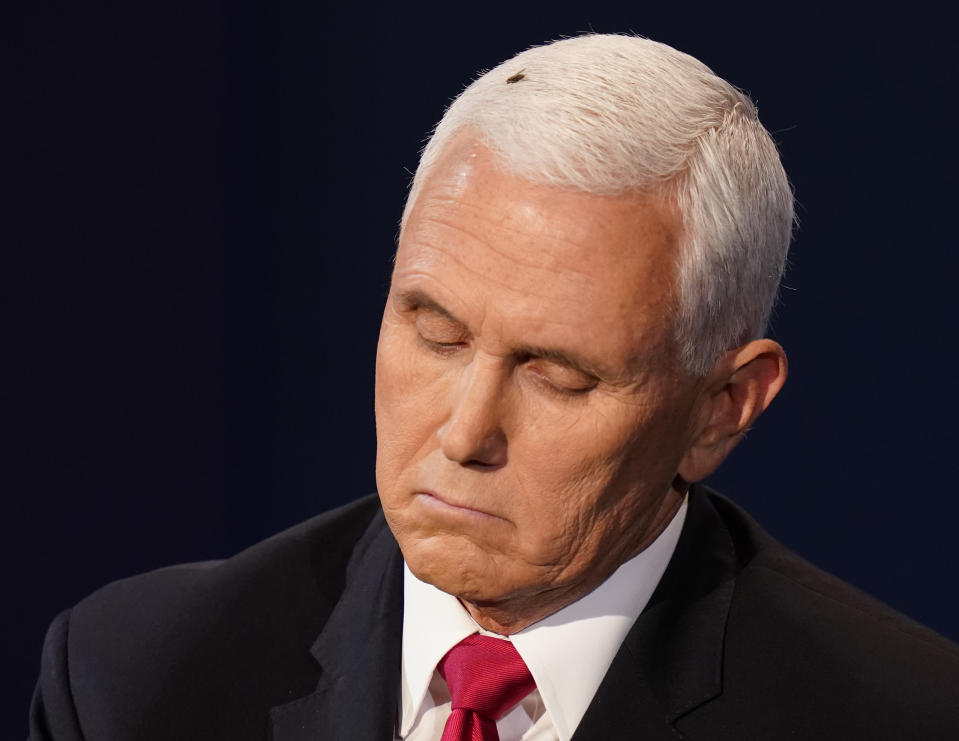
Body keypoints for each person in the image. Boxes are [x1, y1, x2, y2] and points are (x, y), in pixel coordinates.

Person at [29, 34, 959, 741]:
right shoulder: (136, 679)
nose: (464, 431)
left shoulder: (897, 713)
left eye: (557, 375)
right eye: (434, 331)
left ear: (722, 406)